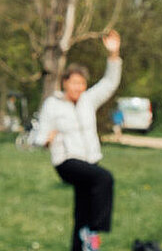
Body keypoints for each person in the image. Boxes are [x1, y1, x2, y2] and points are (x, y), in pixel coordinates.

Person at [29, 31, 124, 251]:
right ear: (64, 83)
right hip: (67, 161)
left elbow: (110, 83)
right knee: (105, 179)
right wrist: (45, 140)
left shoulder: (88, 101)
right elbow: (39, 135)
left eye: (82, 84)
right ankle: (95, 232)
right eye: (74, 83)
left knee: (82, 209)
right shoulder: (53, 104)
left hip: (89, 160)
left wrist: (114, 54)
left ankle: (80, 244)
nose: (78, 88)